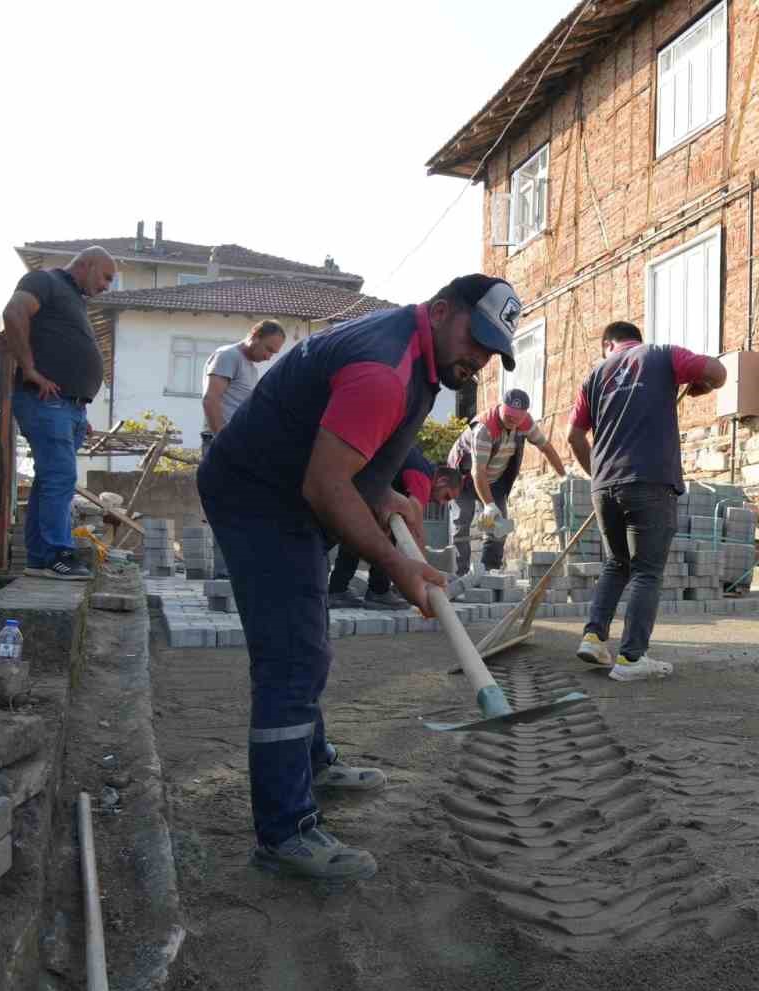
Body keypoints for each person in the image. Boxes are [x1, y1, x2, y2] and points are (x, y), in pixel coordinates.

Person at [198, 273, 521, 880]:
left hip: (290, 489)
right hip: (258, 496)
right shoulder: (385, 367)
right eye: (474, 338)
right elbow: (326, 485)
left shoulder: (428, 364)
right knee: (292, 655)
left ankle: (311, 761)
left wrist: (387, 496)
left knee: (308, 634)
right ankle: (284, 832)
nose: (477, 358)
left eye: (490, 351)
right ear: (442, 309)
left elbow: (365, 463)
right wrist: (396, 563)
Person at [566, 321, 725, 682]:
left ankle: (593, 637)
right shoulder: (662, 355)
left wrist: (600, 475)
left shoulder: (594, 376)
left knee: (617, 563)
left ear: (609, 343)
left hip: (604, 485)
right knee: (647, 570)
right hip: (650, 480)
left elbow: (574, 437)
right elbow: (718, 371)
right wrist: (702, 386)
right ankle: (631, 658)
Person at [2, 247, 118, 580]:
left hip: (69, 407)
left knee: (49, 481)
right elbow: (14, 313)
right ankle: (58, 555)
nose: (108, 285)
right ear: (87, 264)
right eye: (106, 276)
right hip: (45, 400)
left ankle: (40, 559)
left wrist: (78, 406)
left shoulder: (74, 301)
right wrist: (29, 369)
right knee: (61, 477)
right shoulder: (45, 281)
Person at [200, 320, 287, 579]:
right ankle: (225, 574)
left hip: (240, 446)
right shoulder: (229, 356)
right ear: (255, 336)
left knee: (244, 507)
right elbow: (211, 398)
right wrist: (221, 442)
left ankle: (238, 568)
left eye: (274, 353)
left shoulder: (248, 367)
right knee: (225, 506)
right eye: (268, 349)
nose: (269, 356)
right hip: (222, 444)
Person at [447, 387, 567, 574]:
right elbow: (477, 471)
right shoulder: (485, 429)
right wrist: (488, 505)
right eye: (509, 415)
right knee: (462, 523)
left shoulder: (525, 423)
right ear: (501, 406)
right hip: (464, 478)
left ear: (524, 415)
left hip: (494, 480)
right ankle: (459, 576)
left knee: (498, 527)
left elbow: (547, 448)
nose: (512, 421)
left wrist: (564, 476)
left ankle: (488, 574)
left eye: (517, 418)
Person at [328, 449, 463, 610]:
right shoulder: (423, 476)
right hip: (360, 485)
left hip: (360, 483)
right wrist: (425, 573)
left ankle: (338, 590)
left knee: (359, 536)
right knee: (383, 537)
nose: (442, 503)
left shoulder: (419, 465)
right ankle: (378, 592)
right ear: (441, 481)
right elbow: (415, 528)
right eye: (446, 496)